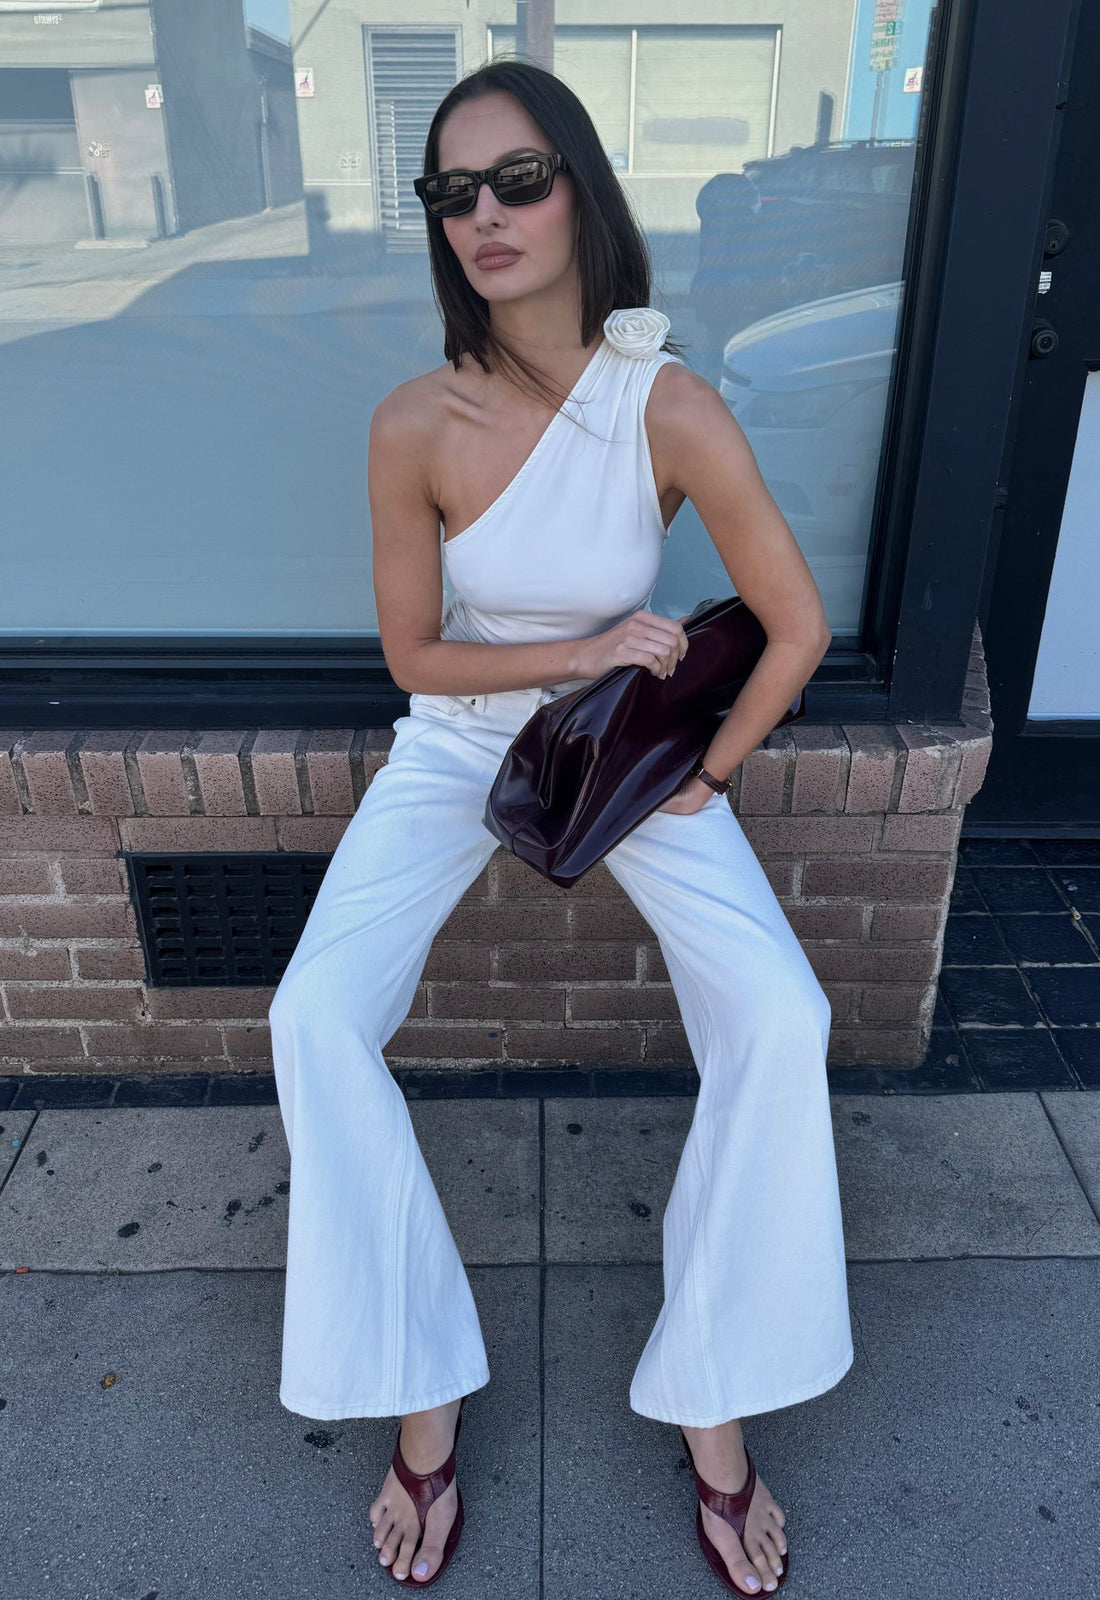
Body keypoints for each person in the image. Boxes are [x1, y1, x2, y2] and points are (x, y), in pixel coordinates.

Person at [268, 57, 853, 1596]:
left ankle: (714, 1393)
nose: (485, 214)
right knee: (314, 1017)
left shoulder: (666, 404)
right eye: (451, 191)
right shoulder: (415, 421)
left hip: (625, 754)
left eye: (517, 179)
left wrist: (709, 772)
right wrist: (583, 647)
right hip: (467, 741)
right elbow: (417, 658)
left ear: (580, 191)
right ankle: (422, 1385)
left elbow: (795, 625)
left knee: (782, 1017)